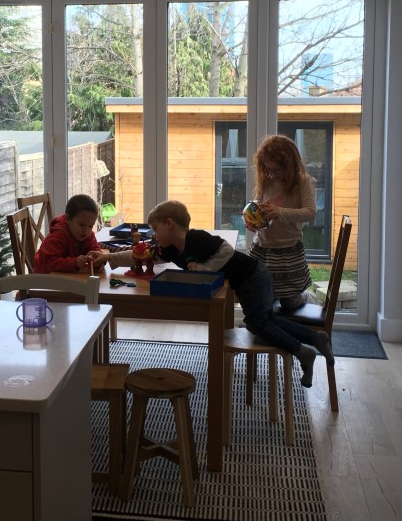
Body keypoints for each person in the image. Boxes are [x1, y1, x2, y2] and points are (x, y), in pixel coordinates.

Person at [95, 199, 332, 387]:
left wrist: (204, 269)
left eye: (155, 229)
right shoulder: (169, 250)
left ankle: (301, 351)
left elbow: (226, 249)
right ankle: (314, 338)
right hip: (245, 281)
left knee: (257, 324)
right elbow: (141, 255)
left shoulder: (196, 238)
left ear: (169, 224)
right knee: (263, 321)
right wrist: (108, 258)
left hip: (254, 276)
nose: (154, 236)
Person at [247, 134, 316, 310]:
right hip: (262, 248)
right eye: (266, 169)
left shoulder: (302, 181)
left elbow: (310, 213)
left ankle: (305, 297)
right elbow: (259, 203)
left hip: (287, 251)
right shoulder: (267, 178)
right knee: (261, 296)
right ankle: (268, 322)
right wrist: (253, 220)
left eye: (276, 170)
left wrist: (279, 212)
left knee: (289, 301)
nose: (271, 174)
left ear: (290, 166)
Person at [33, 193, 107, 274]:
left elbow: (94, 250)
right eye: (82, 225)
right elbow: (49, 263)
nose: (86, 230)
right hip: (45, 277)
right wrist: (74, 263)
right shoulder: (57, 236)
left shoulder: (88, 234)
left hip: (67, 275)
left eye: (91, 226)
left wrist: (98, 260)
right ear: (68, 219)